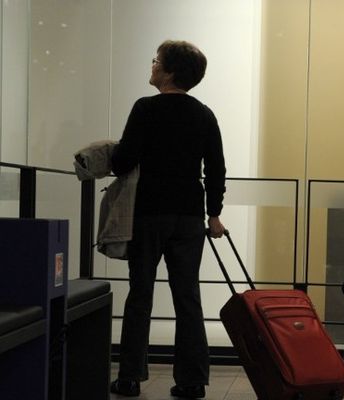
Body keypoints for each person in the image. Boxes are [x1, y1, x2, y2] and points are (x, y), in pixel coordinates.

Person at [109, 40, 226, 399]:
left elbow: (123, 161)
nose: (152, 65)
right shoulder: (204, 113)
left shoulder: (145, 109)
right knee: (187, 296)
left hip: (148, 213)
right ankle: (192, 381)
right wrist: (214, 213)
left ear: (170, 71)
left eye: (157, 60)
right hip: (189, 217)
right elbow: (216, 168)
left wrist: (110, 155)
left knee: (140, 294)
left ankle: (130, 377)